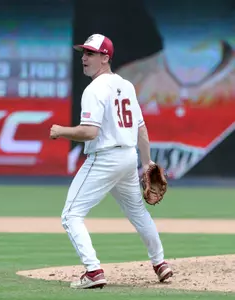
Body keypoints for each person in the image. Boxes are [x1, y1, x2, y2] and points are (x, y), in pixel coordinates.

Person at [49, 33, 173, 289]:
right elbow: (140, 128)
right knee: (138, 212)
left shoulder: (94, 89)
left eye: (90, 54)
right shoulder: (126, 85)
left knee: (71, 215)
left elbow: (90, 132)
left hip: (105, 158)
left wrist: (62, 131)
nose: (84, 58)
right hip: (128, 158)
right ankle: (160, 263)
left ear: (106, 57)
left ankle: (93, 271)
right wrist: (147, 162)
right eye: (83, 53)